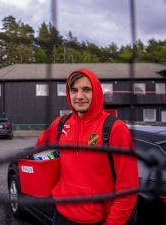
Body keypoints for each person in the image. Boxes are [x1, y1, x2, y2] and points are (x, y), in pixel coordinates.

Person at [35, 68, 139, 225]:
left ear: (96, 92)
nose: (79, 96)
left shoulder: (115, 128)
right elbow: (40, 146)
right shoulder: (61, 123)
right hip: (61, 216)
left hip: (98, 220)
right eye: (74, 90)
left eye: (86, 90)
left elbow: (128, 186)